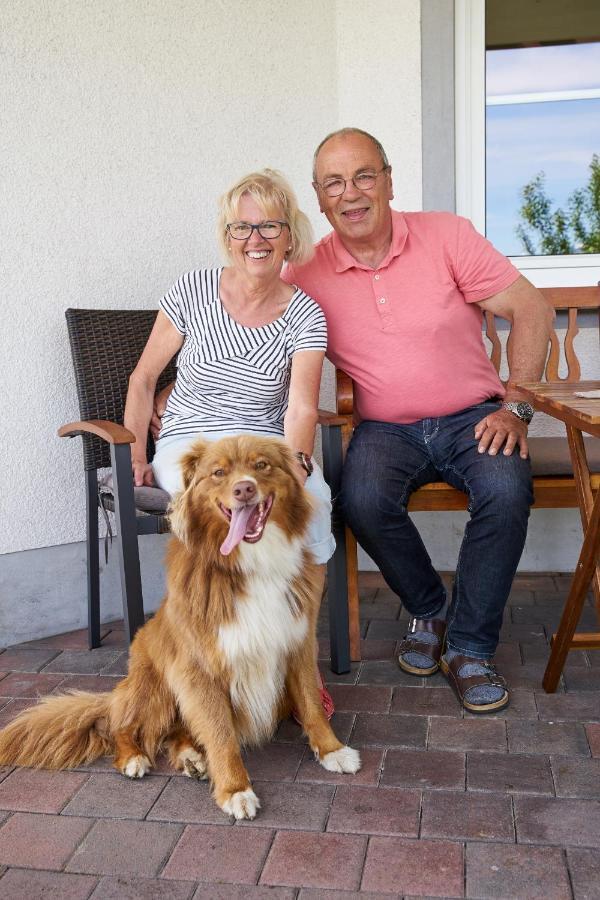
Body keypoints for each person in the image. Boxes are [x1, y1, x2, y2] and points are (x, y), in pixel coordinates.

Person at [281, 127, 554, 715]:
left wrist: (519, 405)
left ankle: (470, 648)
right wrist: (182, 391)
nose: (350, 193)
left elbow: (531, 309)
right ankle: (429, 607)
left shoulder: (446, 235)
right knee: (360, 499)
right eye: (334, 183)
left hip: (475, 415)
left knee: (507, 489)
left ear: (387, 180)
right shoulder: (305, 270)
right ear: (319, 196)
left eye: (363, 176)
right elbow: (248, 324)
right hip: (386, 428)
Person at [124, 168, 335, 716]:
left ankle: (294, 659)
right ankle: (215, 646)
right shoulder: (193, 290)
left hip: (262, 449)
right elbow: (144, 379)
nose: (255, 240)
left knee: (319, 506)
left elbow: (300, 406)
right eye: (242, 228)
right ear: (227, 235)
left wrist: (299, 464)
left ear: (291, 235)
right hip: (191, 446)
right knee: (207, 504)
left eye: (269, 225)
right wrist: (137, 458)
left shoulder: (305, 314)